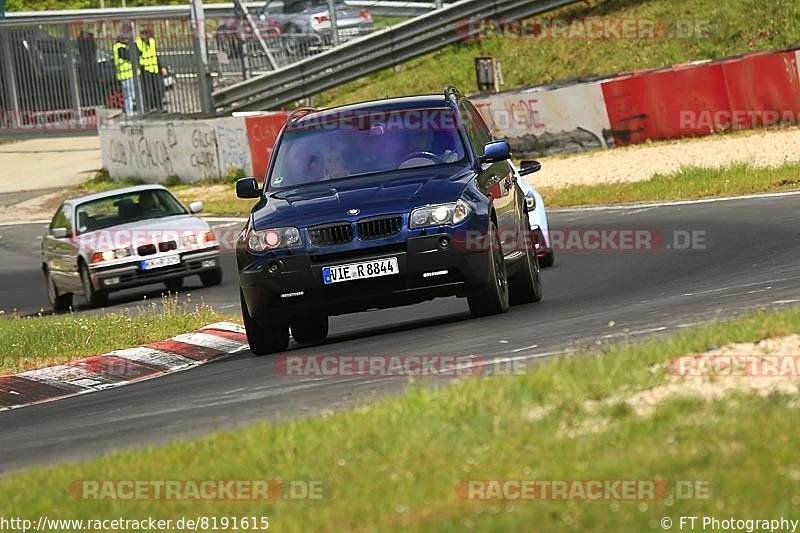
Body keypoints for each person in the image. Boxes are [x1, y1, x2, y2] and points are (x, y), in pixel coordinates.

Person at [136, 27, 163, 112]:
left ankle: (159, 106)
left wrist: (160, 67)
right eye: (142, 34)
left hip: (154, 68)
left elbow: (155, 55)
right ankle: (148, 107)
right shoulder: (139, 42)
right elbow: (138, 52)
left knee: (157, 88)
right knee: (147, 89)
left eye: (146, 34)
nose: (144, 36)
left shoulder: (152, 41)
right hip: (145, 68)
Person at [112, 30, 135, 117]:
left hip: (125, 74)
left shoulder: (119, 46)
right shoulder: (120, 47)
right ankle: (130, 113)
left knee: (128, 95)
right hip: (126, 74)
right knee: (129, 95)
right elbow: (128, 57)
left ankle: (130, 112)